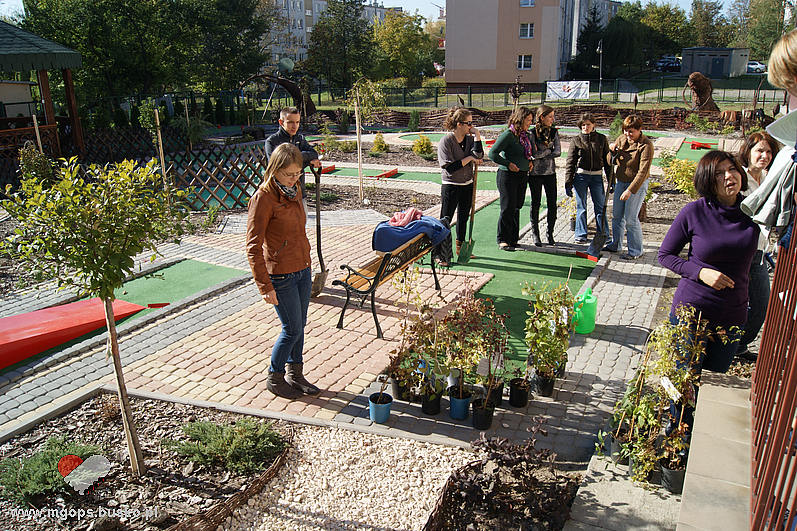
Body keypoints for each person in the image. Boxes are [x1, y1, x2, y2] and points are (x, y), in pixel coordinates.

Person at [658, 151, 758, 433]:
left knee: (714, 380)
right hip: (692, 312)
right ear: (707, 181)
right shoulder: (695, 212)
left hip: (732, 314)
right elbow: (665, 255)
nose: (730, 176)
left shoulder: (753, 211)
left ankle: (699, 431)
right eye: (719, 173)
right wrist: (701, 272)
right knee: (684, 377)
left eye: (733, 169)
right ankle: (676, 430)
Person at [246, 143, 319, 399]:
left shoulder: (294, 189)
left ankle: (295, 374)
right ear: (274, 169)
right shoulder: (263, 198)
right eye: (289, 174)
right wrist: (264, 286)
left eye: (298, 173)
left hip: (302, 269)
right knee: (291, 328)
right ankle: (275, 377)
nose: (294, 178)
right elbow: (253, 247)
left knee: (301, 325)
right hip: (281, 274)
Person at [735, 132, 781, 361]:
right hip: (740, 251)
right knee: (734, 303)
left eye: (769, 152)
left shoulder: (770, 177)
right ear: (748, 152)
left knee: (761, 303)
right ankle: (725, 348)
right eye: (759, 151)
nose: (764, 156)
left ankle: (739, 345)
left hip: (760, 252)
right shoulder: (739, 178)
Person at [603, 115, 654, 259]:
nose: (628, 134)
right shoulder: (622, 139)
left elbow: (643, 172)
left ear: (639, 130)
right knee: (617, 216)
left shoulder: (646, 145)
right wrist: (612, 151)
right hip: (621, 181)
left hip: (637, 184)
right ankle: (616, 244)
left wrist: (630, 191)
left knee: (631, 219)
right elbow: (609, 161)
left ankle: (636, 251)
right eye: (626, 131)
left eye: (631, 131)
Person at [437, 107, 484, 261]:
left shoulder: (470, 139)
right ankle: (440, 253)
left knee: (463, 217)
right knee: (446, 219)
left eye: (472, 123)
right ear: (459, 124)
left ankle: (461, 249)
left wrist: (477, 136)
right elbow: (450, 167)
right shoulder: (446, 141)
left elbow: (479, 154)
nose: (472, 126)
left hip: (467, 184)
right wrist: (470, 159)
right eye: (469, 124)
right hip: (451, 185)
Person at [489, 106, 534, 251]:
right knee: (507, 207)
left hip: (522, 175)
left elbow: (524, 153)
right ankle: (503, 239)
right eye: (528, 120)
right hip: (507, 176)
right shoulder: (508, 134)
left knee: (517, 206)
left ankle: (513, 239)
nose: (530, 123)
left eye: (531, 120)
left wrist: (529, 161)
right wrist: (508, 164)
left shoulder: (524, 136)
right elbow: (492, 154)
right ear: (520, 119)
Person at [564, 112, 613, 245]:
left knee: (600, 206)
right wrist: (568, 182)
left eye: (588, 124)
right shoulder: (576, 140)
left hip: (597, 176)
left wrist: (611, 181)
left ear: (594, 125)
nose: (586, 127)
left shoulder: (602, 139)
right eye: (583, 125)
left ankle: (604, 234)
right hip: (581, 177)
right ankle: (580, 234)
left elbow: (608, 162)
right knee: (582, 206)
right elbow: (570, 162)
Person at [265, 106, 321, 198]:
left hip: (299, 193)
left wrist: (299, 159)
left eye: (297, 122)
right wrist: (306, 161)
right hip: (278, 195)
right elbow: (278, 167)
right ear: (281, 122)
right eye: (290, 122)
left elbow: (314, 154)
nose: (295, 126)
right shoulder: (272, 142)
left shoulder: (300, 138)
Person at [528, 105, 561, 246]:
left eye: (553, 116)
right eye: (550, 117)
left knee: (552, 204)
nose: (552, 119)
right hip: (535, 173)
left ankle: (550, 233)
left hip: (550, 172)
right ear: (542, 117)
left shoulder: (554, 132)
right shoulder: (531, 133)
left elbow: (558, 151)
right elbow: (533, 154)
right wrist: (547, 152)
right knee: (535, 203)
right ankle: (535, 234)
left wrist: (544, 154)